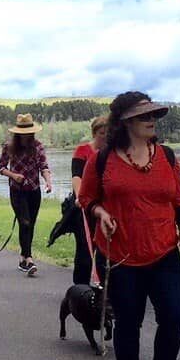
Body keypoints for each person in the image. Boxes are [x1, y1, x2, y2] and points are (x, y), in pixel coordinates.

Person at [78, 92, 180, 360]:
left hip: (165, 251)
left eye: (154, 115)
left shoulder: (167, 157)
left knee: (173, 317)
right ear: (125, 122)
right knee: (129, 323)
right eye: (144, 116)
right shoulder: (102, 160)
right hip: (120, 255)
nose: (151, 120)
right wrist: (100, 212)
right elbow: (86, 198)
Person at [0, 113, 53, 276]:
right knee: (25, 222)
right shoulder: (8, 147)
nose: (26, 136)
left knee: (31, 224)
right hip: (17, 191)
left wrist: (48, 182)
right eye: (23, 133)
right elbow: (1, 168)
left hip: (34, 191)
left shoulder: (38, 146)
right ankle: (29, 259)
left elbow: (44, 166)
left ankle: (23, 257)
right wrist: (13, 175)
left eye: (29, 132)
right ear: (17, 133)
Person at [71, 115, 109, 285]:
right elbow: (77, 176)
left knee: (104, 249)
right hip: (84, 206)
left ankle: (104, 287)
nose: (106, 137)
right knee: (85, 250)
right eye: (102, 133)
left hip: (105, 207)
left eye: (109, 133)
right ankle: (80, 289)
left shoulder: (113, 154)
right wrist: (80, 197)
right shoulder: (83, 151)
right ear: (94, 133)